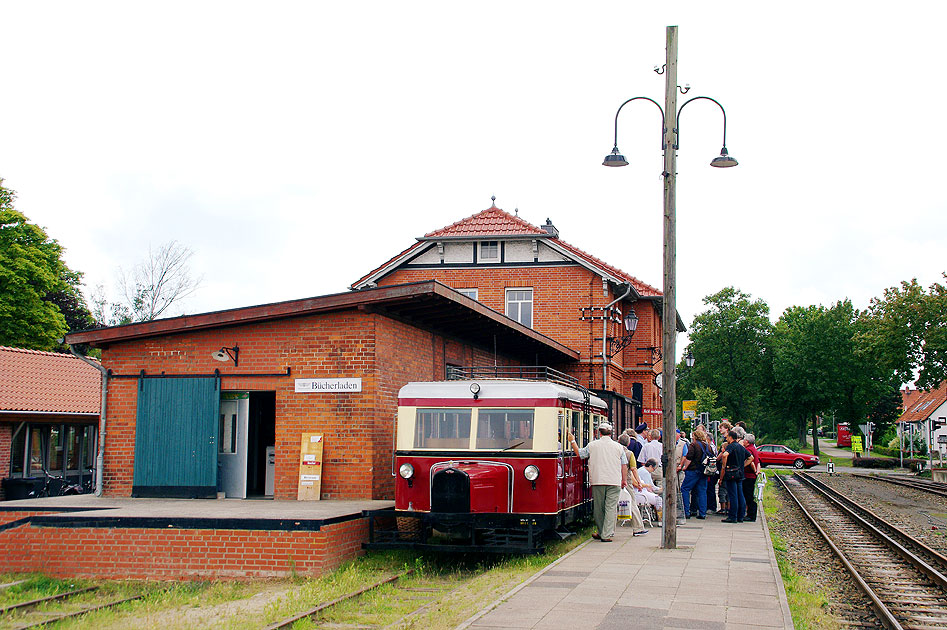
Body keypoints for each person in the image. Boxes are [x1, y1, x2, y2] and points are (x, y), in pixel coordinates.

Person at [568, 423, 627, 542]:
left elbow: (580, 454)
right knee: (610, 508)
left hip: (597, 479)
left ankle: (601, 532)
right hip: (614, 480)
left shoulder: (592, 445)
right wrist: (624, 480)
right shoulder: (619, 447)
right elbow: (624, 465)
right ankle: (607, 534)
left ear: (599, 433)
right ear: (611, 433)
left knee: (598, 508)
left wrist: (572, 441)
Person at [617, 433, 650, 536]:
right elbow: (633, 469)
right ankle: (638, 528)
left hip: (613, 479)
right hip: (626, 480)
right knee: (632, 503)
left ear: (618, 442)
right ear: (628, 443)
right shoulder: (629, 454)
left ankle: (607, 530)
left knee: (611, 505)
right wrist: (639, 482)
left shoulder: (614, 451)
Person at [679, 426, 712, 519]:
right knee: (702, 491)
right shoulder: (708, 446)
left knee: (685, 489)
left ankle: (686, 511)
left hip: (693, 471)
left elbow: (689, 458)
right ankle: (702, 513)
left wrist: (685, 467)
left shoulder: (693, 445)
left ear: (695, 436)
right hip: (704, 471)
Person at [718, 429, 749, 523]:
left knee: (733, 495)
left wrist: (724, 466)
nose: (726, 439)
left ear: (731, 437)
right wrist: (742, 465)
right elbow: (751, 457)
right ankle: (741, 515)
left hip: (731, 473)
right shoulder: (741, 447)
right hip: (740, 473)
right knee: (740, 494)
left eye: (727, 437)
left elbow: (725, 455)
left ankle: (733, 516)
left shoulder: (731, 446)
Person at [742, 433, 762, 522]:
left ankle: (751, 515)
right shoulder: (753, 448)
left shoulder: (748, 450)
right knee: (750, 494)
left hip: (749, 475)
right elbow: (757, 462)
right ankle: (751, 514)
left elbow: (751, 462)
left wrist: (743, 467)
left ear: (747, 441)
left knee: (748, 495)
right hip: (751, 476)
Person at [716, 421, 733, 514]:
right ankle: (727, 507)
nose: (719, 430)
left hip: (725, 469)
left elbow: (724, 454)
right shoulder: (725, 440)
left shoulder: (726, 442)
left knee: (723, 490)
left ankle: (724, 508)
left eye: (721, 428)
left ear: (726, 429)